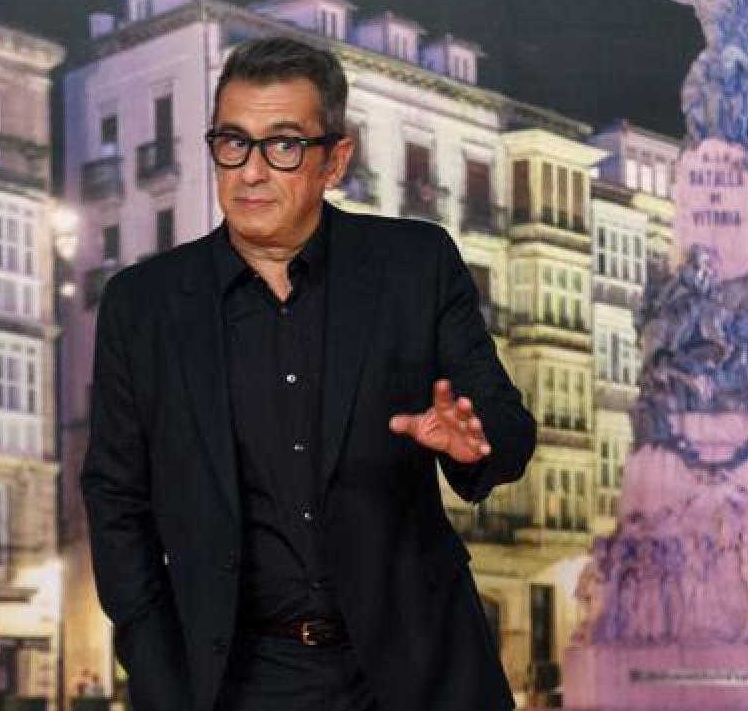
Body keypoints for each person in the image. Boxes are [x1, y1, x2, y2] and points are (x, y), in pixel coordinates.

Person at [81, 36, 536, 711]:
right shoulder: (143, 305)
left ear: (335, 160)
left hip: (418, 671)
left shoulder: (415, 266)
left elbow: (506, 425)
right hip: (237, 684)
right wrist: (156, 668)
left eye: (284, 146)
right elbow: (116, 497)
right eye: (233, 143)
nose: (251, 172)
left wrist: (475, 444)